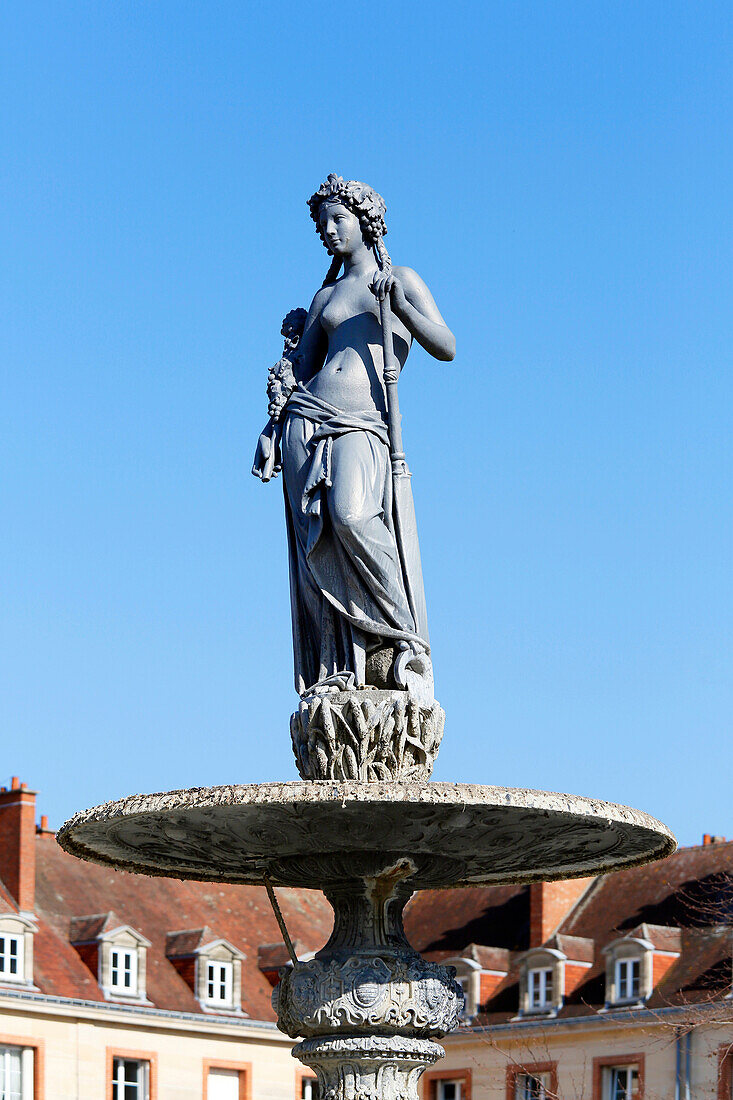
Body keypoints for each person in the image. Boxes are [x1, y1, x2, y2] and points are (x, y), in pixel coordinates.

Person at [253, 175, 455, 696]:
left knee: (350, 516)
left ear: (364, 220)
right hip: (307, 420)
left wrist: (402, 307)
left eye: (337, 219)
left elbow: (447, 345)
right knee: (319, 542)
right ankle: (341, 664)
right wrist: (273, 427)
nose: (328, 230)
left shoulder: (400, 279)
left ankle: (404, 637)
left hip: (363, 423)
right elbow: (300, 368)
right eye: (321, 224)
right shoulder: (325, 298)